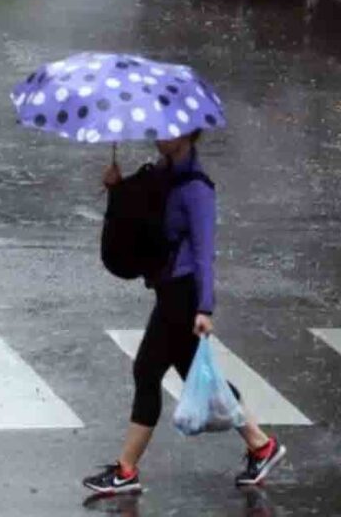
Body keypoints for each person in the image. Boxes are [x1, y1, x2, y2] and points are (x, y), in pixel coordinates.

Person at [83, 131, 286, 495]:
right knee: (196, 374)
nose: (160, 136)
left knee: (146, 370)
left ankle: (127, 470)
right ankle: (261, 445)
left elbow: (205, 254)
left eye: (170, 131)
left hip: (184, 295)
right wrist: (115, 187)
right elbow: (142, 218)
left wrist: (205, 307)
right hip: (167, 290)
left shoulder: (197, 189)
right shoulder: (162, 175)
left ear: (189, 135)